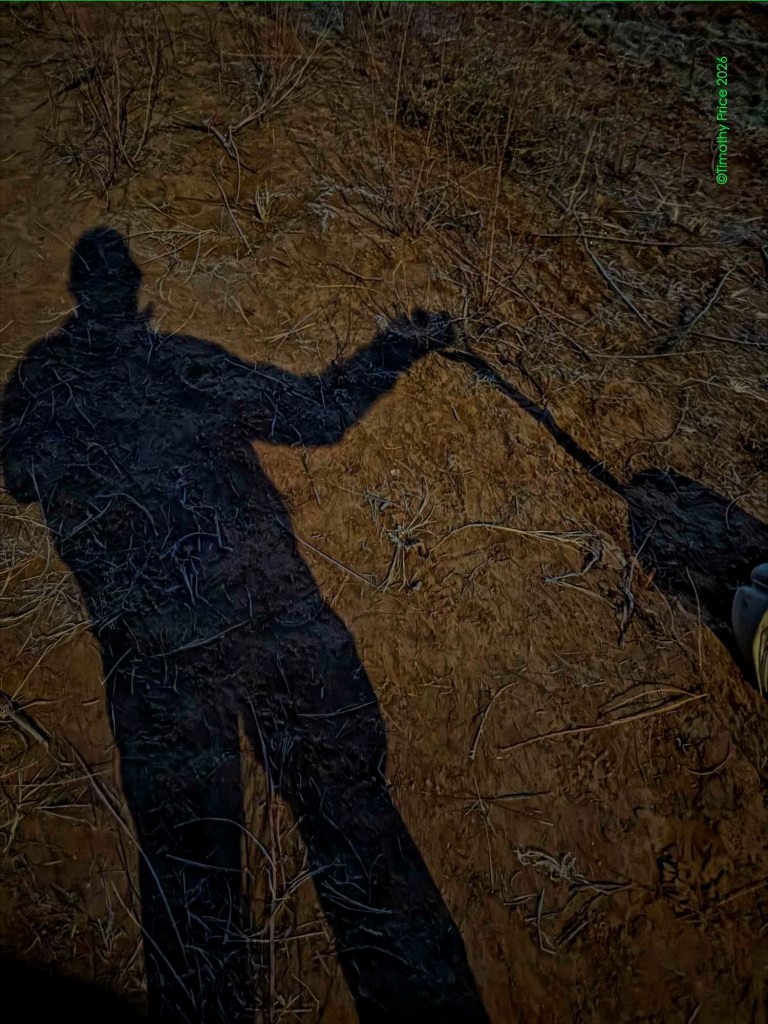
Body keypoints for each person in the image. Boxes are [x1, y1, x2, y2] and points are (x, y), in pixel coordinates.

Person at [2, 228, 489, 1024]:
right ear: (135, 294)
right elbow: (320, 413)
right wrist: (400, 344)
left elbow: (20, 476)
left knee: (190, 877)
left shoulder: (41, 383)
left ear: (77, 297)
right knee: (358, 830)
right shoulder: (187, 364)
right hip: (276, 622)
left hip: (157, 657)